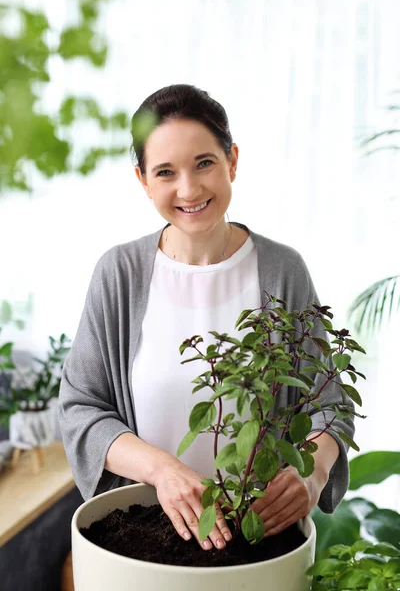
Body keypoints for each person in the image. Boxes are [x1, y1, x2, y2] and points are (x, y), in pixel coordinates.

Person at [58, 83, 355, 553]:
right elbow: (82, 409)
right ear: (143, 181)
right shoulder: (119, 274)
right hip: (148, 532)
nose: (189, 189)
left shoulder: (282, 271)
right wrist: (163, 470)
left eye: (204, 163)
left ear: (232, 161)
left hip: (258, 534)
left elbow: (329, 403)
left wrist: (312, 472)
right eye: (165, 172)